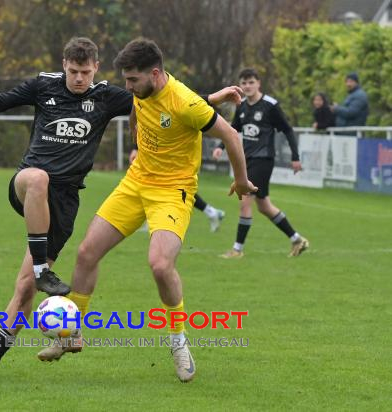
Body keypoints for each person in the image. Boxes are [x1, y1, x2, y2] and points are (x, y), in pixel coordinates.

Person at [37, 38, 257, 383]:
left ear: (155, 74)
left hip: (172, 191)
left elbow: (231, 135)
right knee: (86, 252)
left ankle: (178, 341)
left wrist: (242, 181)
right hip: (135, 183)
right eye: (125, 80)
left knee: (159, 264)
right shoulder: (145, 93)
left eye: (132, 80)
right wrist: (138, 146)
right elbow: (140, 115)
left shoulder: (185, 102)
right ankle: (71, 336)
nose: (127, 87)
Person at [0, 37, 135, 381]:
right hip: (27, 186)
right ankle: (41, 268)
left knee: (23, 290)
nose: (78, 78)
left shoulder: (106, 97)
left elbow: (164, 100)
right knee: (37, 178)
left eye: (85, 72)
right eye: (73, 71)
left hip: (64, 204)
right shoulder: (43, 86)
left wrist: (211, 101)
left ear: (96, 67)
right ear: (63, 64)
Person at [212, 68, 309, 259]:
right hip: (248, 159)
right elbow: (232, 130)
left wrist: (295, 157)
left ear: (258, 83)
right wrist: (220, 147)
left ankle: (237, 250)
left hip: (263, 159)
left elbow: (288, 130)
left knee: (245, 201)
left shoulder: (270, 105)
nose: (247, 86)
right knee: (264, 206)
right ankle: (297, 239)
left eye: (251, 82)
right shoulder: (241, 106)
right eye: (244, 83)